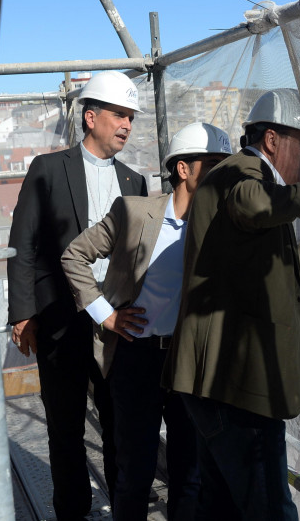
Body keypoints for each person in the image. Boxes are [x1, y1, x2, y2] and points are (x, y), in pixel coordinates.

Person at [162, 89, 300, 520]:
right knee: (269, 509)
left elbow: (271, 269)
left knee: (223, 506)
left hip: (219, 383)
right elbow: (253, 205)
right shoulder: (242, 174)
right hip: (239, 385)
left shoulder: (257, 183)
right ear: (270, 140)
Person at [62, 122, 231, 521]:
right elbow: (74, 256)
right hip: (136, 359)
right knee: (134, 472)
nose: (223, 175)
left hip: (190, 363)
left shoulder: (223, 226)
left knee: (189, 473)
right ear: (184, 169)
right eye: (214, 165)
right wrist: (107, 315)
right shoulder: (134, 212)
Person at [8, 70, 148, 519]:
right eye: (119, 115)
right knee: (64, 425)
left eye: (131, 117)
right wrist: (22, 314)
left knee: (118, 424)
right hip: (59, 317)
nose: (127, 125)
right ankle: (72, 510)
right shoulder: (48, 169)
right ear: (91, 117)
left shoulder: (135, 181)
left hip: (117, 321)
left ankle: (122, 507)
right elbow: (23, 244)